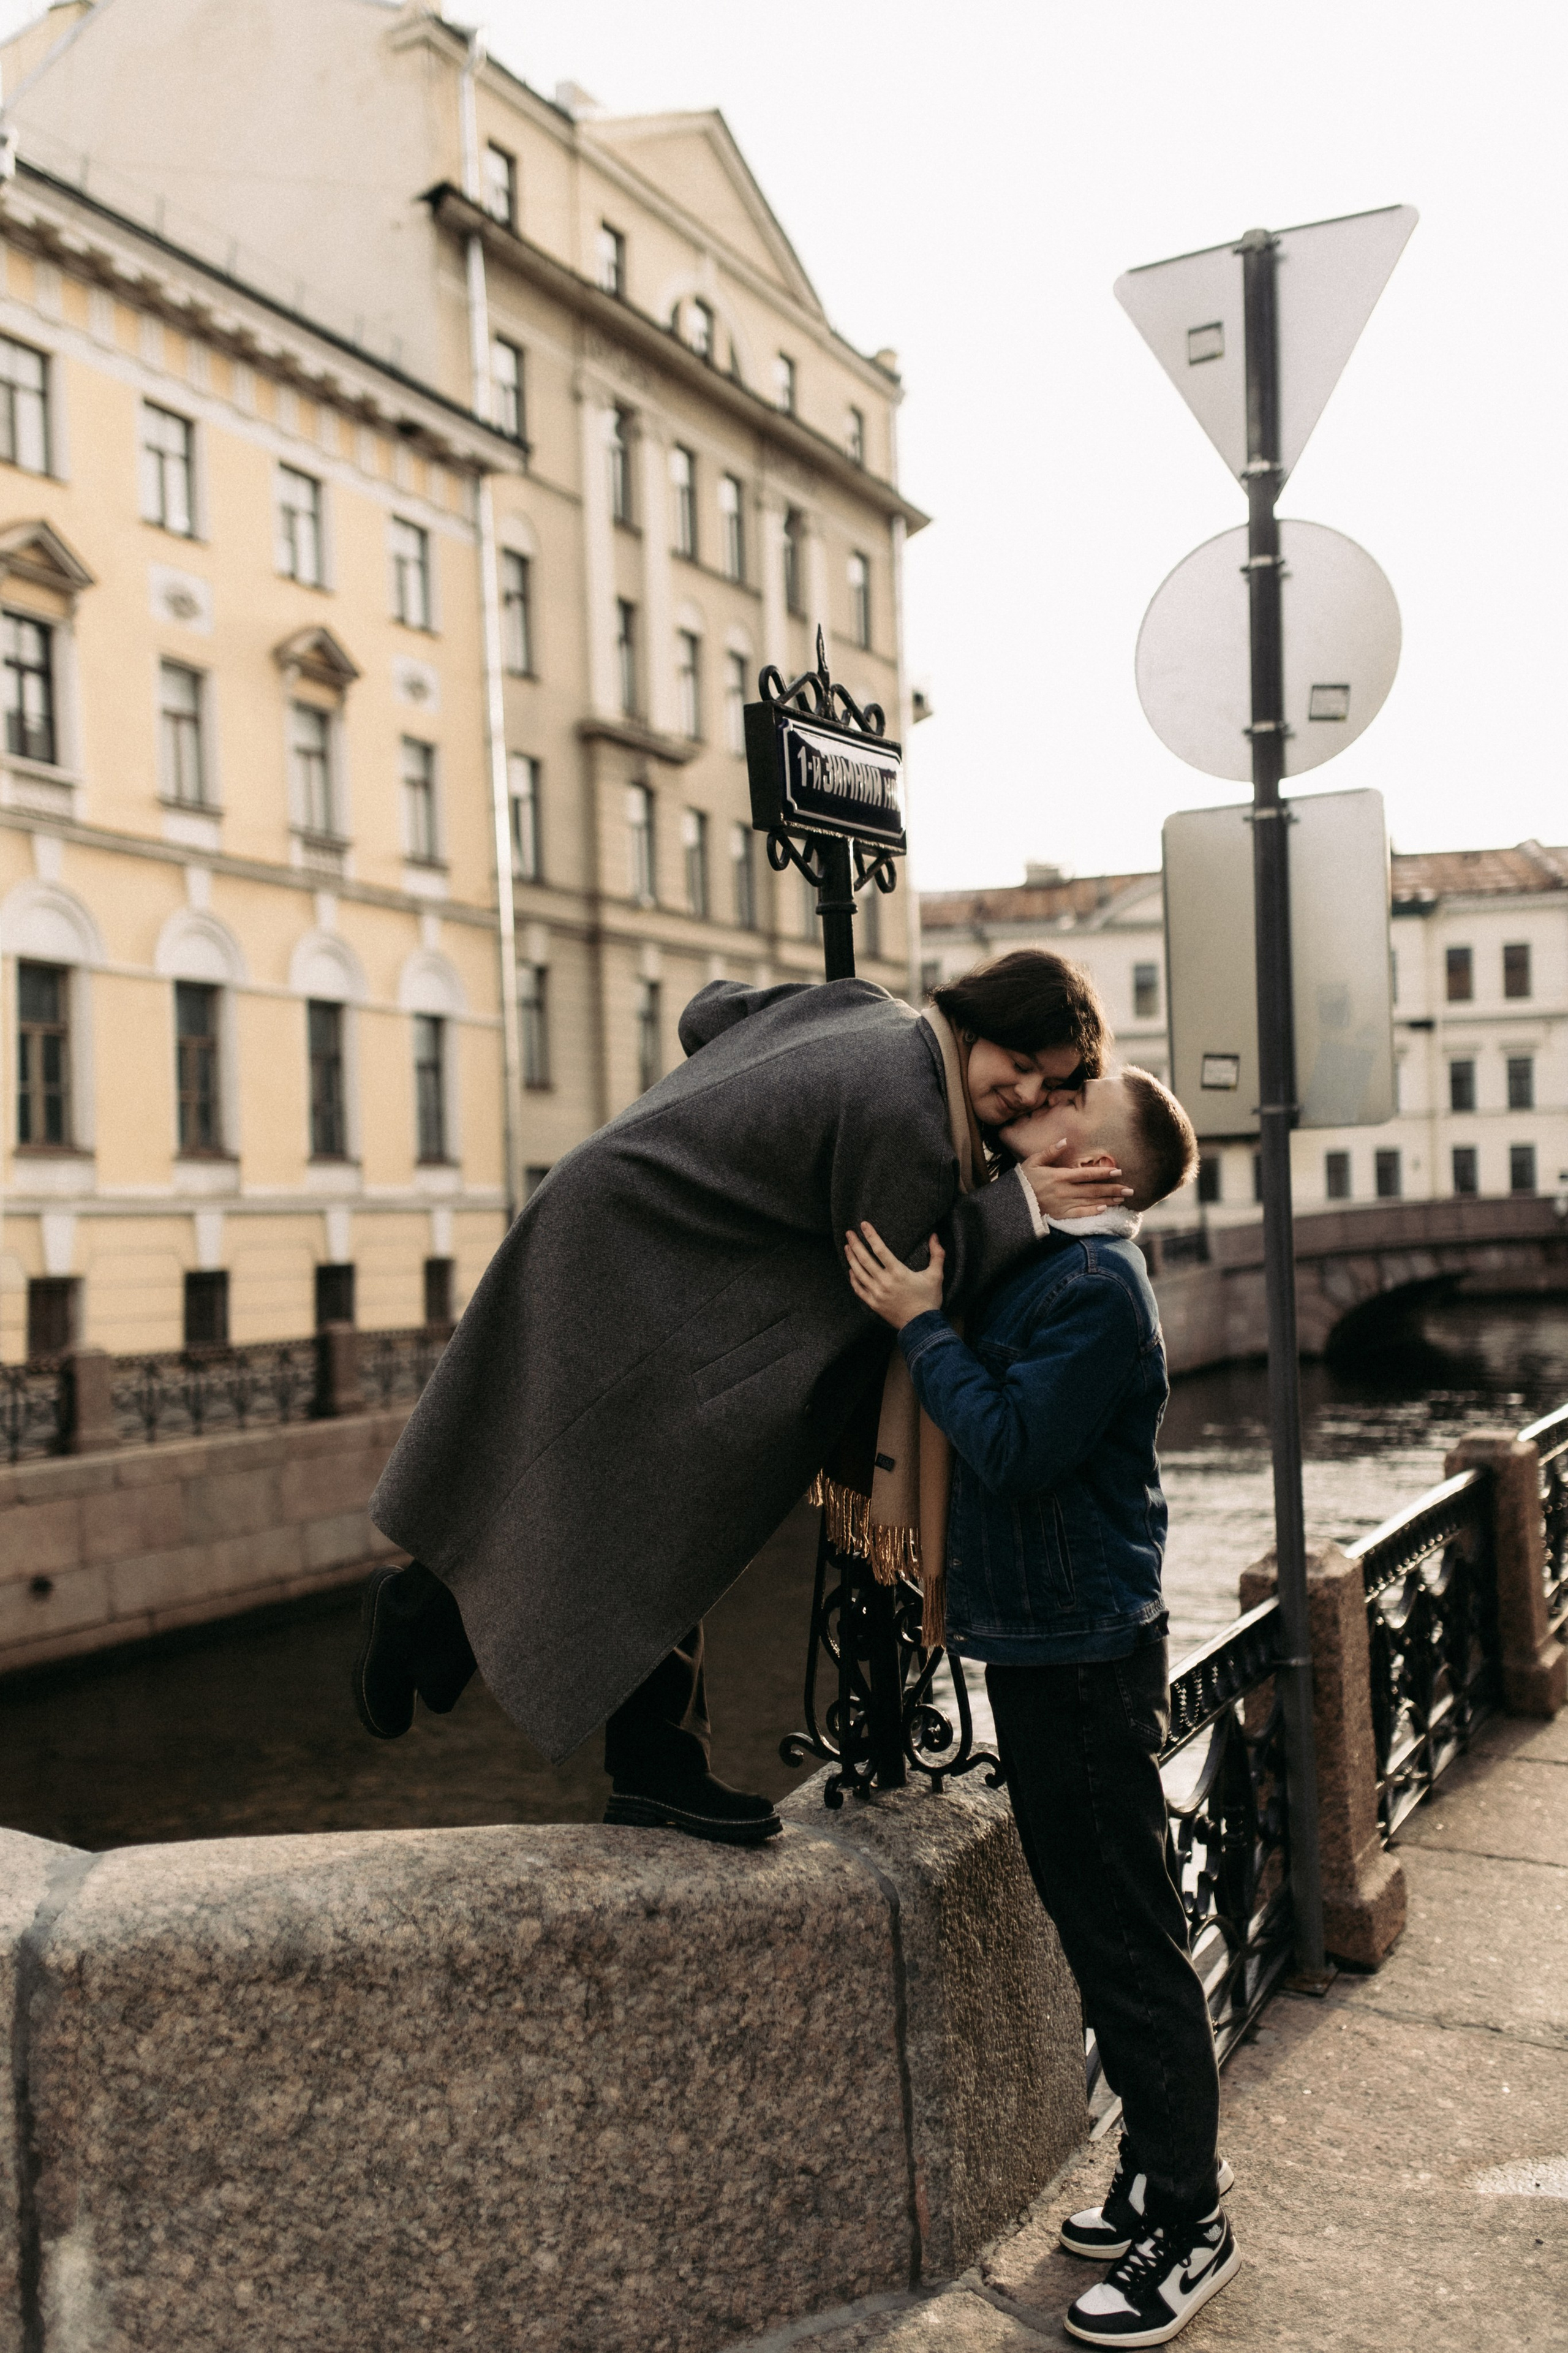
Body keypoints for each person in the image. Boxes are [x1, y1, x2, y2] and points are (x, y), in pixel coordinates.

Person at [355, 952, 1132, 1848]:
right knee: (664, 1511)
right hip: (645, 1265)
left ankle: (469, 1655)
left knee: (622, 1505)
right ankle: (593, 1727)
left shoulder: (866, 1011)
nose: (1029, 1095)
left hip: (619, 1217)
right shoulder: (911, 1115)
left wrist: (718, 1131)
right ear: (978, 1019)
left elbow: (710, 1012)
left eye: (1056, 1085)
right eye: (1022, 1063)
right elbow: (906, 1270)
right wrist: (1023, 1204)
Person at [844, 1067, 1240, 2351]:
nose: (1027, 1108)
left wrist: (918, 1324)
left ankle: (1190, 2218)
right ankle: (1149, 2174)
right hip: (1044, 1642)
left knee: (1124, 1934)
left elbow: (1010, 1445)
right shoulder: (1045, 1258)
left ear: (1089, 1153)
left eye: (1054, 1105)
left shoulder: (1094, 1289)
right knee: (1092, 1915)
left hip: (1076, 1652)